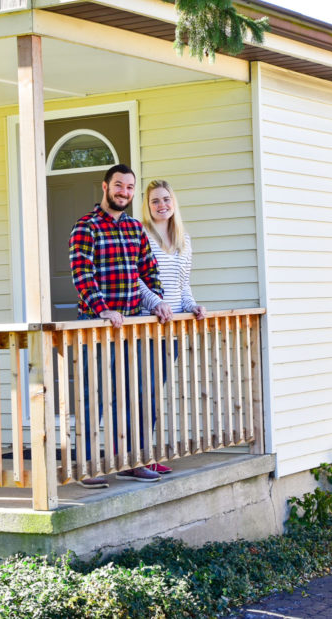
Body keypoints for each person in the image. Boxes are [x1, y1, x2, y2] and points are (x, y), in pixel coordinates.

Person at [69, 164, 172, 488]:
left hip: (130, 327)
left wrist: (156, 301)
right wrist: (104, 310)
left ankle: (132, 461)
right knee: (92, 397)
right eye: (118, 185)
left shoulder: (134, 229)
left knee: (135, 396)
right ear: (105, 187)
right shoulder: (85, 227)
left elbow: (149, 271)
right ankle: (86, 468)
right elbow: (82, 275)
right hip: (96, 326)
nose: (124, 192)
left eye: (129, 187)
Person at [137, 179, 207, 475]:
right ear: (147, 205)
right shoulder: (141, 235)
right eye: (155, 201)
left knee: (154, 393)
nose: (161, 205)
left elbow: (183, 284)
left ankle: (143, 456)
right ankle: (137, 458)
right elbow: (135, 278)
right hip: (148, 325)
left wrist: (192, 306)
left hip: (173, 329)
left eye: (166, 199)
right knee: (143, 393)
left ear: (173, 202)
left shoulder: (183, 239)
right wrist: (154, 303)